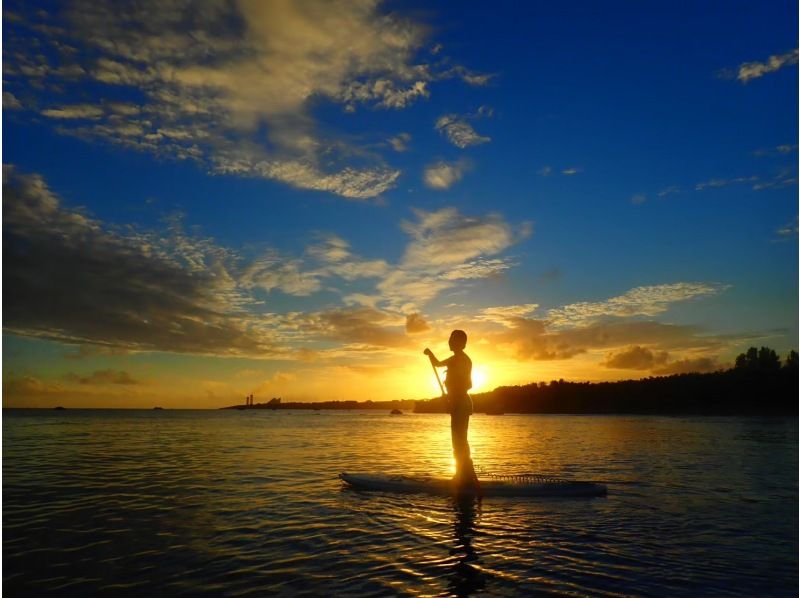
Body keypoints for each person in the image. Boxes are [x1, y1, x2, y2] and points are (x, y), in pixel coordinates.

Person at [424, 330, 480, 490]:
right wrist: (429, 354)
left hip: (461, 404)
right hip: (458, 404)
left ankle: (465, 477)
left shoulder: (461, 359)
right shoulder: (456, 358)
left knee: (459, 441)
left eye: (452, 340)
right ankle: (462, 474)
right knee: (458, 441)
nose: (449, 342)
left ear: (461, 343)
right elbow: (438, 364)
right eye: (449, 339)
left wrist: (453, 396)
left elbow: (466, 384)